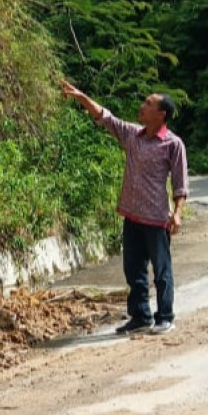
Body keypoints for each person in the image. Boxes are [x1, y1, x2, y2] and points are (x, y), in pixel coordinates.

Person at [61, 81, 189, 335]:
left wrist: (177, 214)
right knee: (134, 270)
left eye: (148, 104)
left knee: (161, 270)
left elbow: (180, 183)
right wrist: (82, 97)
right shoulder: (133, 135)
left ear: (161, 114)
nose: (142, 107)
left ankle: (165, 316)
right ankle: (141, 317)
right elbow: (105, 117)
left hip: (156, 219)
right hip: (131, 215)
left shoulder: (173, 144)